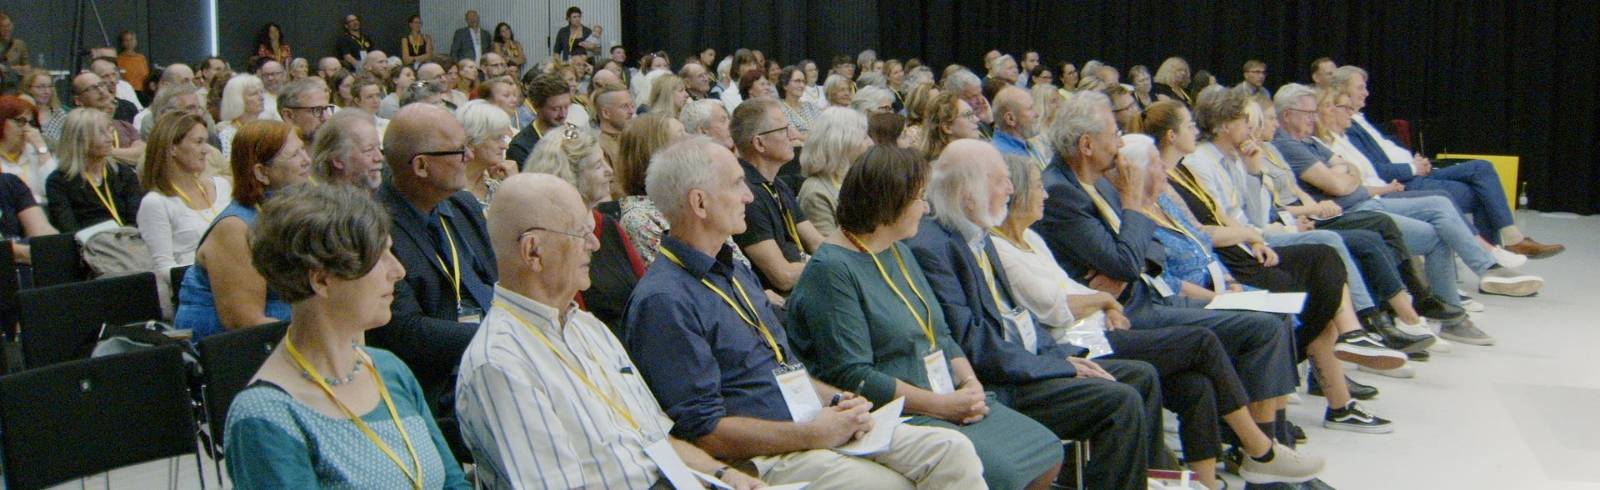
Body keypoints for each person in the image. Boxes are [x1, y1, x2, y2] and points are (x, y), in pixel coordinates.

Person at [625, 136, 991, 490]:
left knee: (951, 452)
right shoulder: (664, 301)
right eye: (737, 184)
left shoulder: (733, 269)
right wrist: (812, 433)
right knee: (891, 485)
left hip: (808, 421)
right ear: (700, 203)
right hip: (765, 453)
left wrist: (835, 400)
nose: (749, 196)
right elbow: (705, 433)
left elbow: (782, 369)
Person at [990, 153, 1323, 489]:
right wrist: (1103, 300)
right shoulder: (1000, 247)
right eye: (1036, 187)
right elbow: (1055, 306)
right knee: (1201, 343)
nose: (1044, 193)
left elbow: (1080, 285)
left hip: (1098, 325)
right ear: (1014, 194)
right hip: (1074, 342)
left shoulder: (1031, 238)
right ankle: (1259, 450)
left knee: (1196, 383)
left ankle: (1203, 482)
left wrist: (1101, 304)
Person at [454, 172, 761, 489]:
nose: (595, 244)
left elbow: (657, 439)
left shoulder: (587, 327)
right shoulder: (501, 364)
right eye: (580, 233)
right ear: (533, 251)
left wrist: (725, 476)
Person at [1035, 91, 1305, 450]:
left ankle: (1272, 444)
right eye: (1114, 134)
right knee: (1258, 330)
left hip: (1144, 295)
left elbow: (1149, 251)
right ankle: (1264, 452)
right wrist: (1134, 212)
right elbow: (1126, 259)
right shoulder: (1061, 192)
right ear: (1086, 144)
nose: (1118, 144)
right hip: (1112, 320)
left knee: (1270, 321)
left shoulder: (1097, 182)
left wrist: (1128, 259)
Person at [1129, 107, 1399, 434]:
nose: (1257, 130)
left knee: (1325, 261)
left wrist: (1255, 198)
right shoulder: (1183, 174)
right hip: (1221, 263)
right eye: (1250, 122)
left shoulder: (1183, 175)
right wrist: (1248, 238)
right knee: (1305, 286)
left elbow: (1225, 220)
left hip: (1231, 255)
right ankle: (1281, 423)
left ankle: (1340, 368)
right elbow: (1208, 235)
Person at [222, 184, 469, 489]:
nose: (399, 271)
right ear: (322, 280)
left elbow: (452, 483)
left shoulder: (388, 370)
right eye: (380, 258)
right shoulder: (267, 417)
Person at [1272, 83, 1539, 342]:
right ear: (1287, 115)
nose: (1314, 117)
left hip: (1365, 199)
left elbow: (1351, 171)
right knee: (1436, 227)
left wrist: (1346, 175)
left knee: (1441, 205)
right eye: (1309, 113)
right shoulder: (1289, 145)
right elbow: (1339, 182)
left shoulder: (1309, 142)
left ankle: (1479, 275)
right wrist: (1346, 175)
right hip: (1353, 208)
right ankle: (1453, 309)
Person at [1334, 66, 1563, 257]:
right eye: (1360, 88)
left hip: (1416, 170)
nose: (1366, 92)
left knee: (1483, 169)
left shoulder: (1360, 120)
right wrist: (1413, 167)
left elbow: (1387, 150)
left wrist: (1413, 159)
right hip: (1406, 180)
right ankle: (1501, 250)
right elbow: (1375, 169)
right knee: (1482, 193)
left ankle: (1499, 253)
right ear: (1342, 91)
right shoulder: (1347, 127)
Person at [369, 102, 497, 438]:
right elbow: (404, 332)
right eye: (458, 150)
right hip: (436, 384)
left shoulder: (462, 205)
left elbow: (494, 280)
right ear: (422, 166)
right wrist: (500, 337)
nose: (469, 156)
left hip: (490, 361)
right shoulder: (372, 226)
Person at [175, 120, 309, 339]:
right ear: (262, 173)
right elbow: (244, 322)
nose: (307, 160)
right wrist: (317, 338)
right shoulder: (235, 228)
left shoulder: (291, 214)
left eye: (303, 150)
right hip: (232, 355)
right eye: (295, 155)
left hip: (287, 339)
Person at [521, 126, 642, 333]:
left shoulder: (608, 226)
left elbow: (644, 290)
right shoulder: (550, 240)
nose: (610, 171)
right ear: (570, 176)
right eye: (597, 166)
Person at [731, 98, 822, 293]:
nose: (793, 135)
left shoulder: (776, 183)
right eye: (783, 130)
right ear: (760, 143)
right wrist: (829, 264)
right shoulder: (747, 196)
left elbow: (816, 243)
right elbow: (782, 276)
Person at [137, 112, 232, 293]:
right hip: (197, 290)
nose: (207, 150)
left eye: (206, 141)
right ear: (172, 148)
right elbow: (165, 269)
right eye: (198, 142)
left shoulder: (222, 186)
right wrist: (216, 273)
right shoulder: (156, 203)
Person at [45, 108, 142, 233]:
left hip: (128, 243)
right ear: (80, 139)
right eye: (101, 133)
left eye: (109, 131)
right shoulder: (58, 182)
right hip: (88, 247)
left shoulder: (124, 174)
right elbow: (68, 228)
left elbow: (137, 220)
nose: (109, 138)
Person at [796, 107, 869, 238]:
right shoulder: (816, 193)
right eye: (864, 137)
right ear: (843, 142)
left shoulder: (855, 178)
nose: (870, 143)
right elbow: (828, 251)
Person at [62, 72, 146, 165]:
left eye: (101, 84)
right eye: (92, 88)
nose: (101, 91)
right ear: (78, 100)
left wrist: (101, 152)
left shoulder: (125, 126)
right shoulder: (77, 127)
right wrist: (126, 154)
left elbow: (141, 154)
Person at [454, 100, 516, 209]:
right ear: (471, 141)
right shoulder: (449, 192)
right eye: (498, 138)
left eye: (504, 138)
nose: (505, 146)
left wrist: (515, 183)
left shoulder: (499, 188)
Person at [310, 108, 384, 191]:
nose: (379, 157)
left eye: (378, 147)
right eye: (368, 150)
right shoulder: (318, 202)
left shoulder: (382, 196)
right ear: (338, 159)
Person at [0, 95, 56, 204]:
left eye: (30, 123)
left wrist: (41, 148)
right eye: (20, 121)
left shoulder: (36, 151)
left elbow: (55, 191)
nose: (27, 128)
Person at [506, 74, 571, 165]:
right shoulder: (521, 147)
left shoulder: (574, 134)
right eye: (556, 108)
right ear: (536, 106)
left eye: (567, 107)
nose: (563, 114)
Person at [990, 85, 1051, 170]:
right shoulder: (1006, 157)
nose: (1037, 114)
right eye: (1030, 109)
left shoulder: (1026, 144)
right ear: (1010, 119)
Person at [218, 74, 276, 160]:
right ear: (237, 99)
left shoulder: (268, 128)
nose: (261, 97)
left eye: (261, 92)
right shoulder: (228, 135)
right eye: (254, 94)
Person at [920, 91, 979, 161]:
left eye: (973, 114)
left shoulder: (969, 155)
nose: (977, 119)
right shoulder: (943, 165)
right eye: (968, 115)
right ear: (947, 127)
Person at [592, 82, 633, 164]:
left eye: (632, 105)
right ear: (606, 113)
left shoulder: (634, 139)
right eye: (624, 106)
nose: (631, 111)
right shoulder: (600, 149)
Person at [115, 31, 152, 95]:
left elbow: (146, 75)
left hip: (142, 92)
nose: (129, 42)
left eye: (131, 39)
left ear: (135, 41)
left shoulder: (141, 58)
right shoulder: (118, 59)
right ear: (122, 43)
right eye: (126, 40)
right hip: (127, 92)